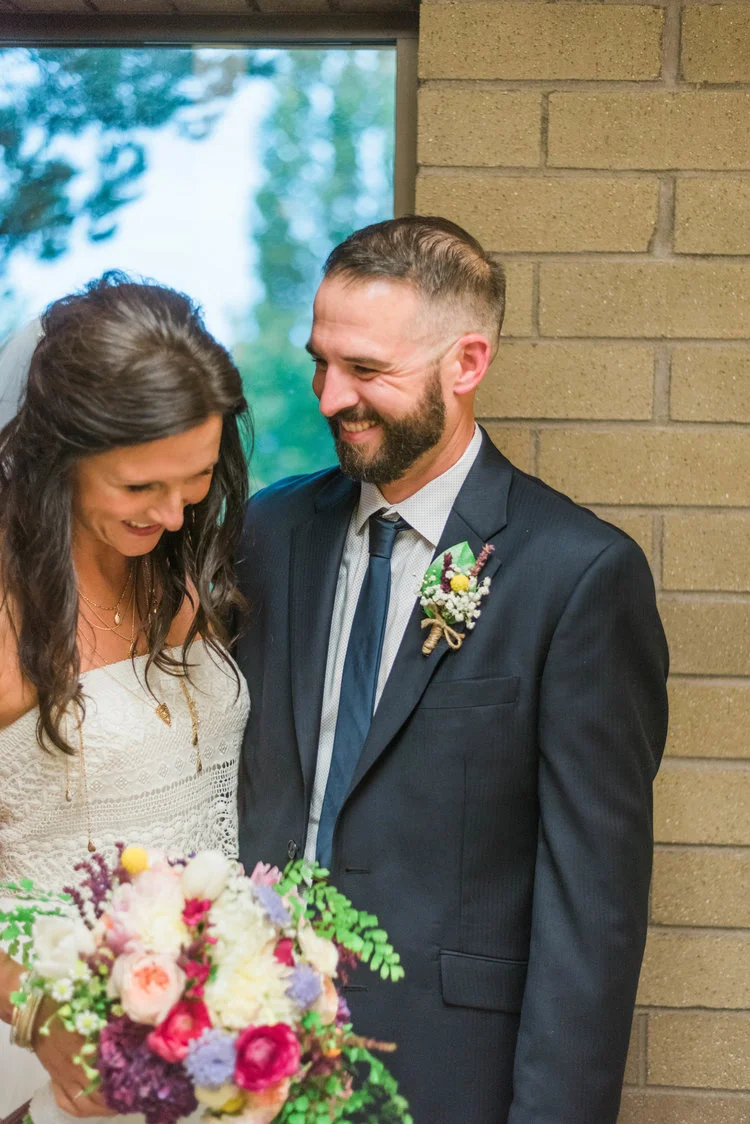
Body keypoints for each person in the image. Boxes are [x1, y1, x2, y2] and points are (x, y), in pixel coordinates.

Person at [236, 216, 669, 1123]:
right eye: (321, 363)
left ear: (467, 363)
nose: (329, 396)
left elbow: (591, 906)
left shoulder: (578, 576)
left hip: (448, 1078)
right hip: (245, 1056)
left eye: (366, 370)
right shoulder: (269, 534)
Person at [0, 274, 251, 1123]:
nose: (175, 515)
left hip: (210, 1049)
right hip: (57, 1058)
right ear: (61, 456)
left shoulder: (179, 574)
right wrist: (37, 1015)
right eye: (141, 487)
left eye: (197, 479)